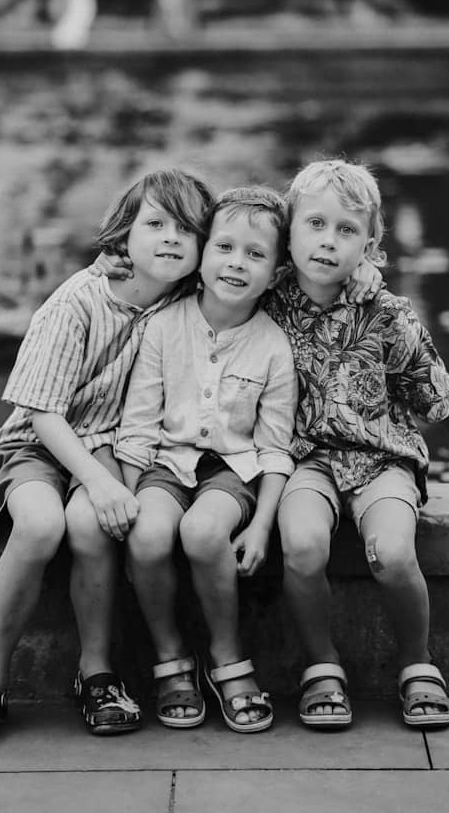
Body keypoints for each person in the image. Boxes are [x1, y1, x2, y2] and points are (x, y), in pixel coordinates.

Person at [0, 167, 213, 745]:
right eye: (155, 224)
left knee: (92, 526)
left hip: (112, 448)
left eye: (187, 230)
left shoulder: (187, 302)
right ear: (123, 237)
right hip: (42, 444)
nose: (170, 238)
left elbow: (263, 264)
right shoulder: (78, 302)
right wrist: (100, 480)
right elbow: (41, 412)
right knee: (40, 524)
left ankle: (98, 674)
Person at [264, 159, 449, 731]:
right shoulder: (269, 300)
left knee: (391, 553)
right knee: (304, 547)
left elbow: (441, 392)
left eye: (347, 230)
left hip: (382, 458)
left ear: (371, 243)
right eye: (314, 224)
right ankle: (322, 666)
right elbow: (215, 269)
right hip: (303, 459)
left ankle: (417, 663)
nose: (328, 242)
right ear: (288, 229)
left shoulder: (386, 314)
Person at [114, 187, 296, 734]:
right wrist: (127, 494)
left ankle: (227, 657)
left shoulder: (272, 346)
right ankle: (171, 658)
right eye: (225, 247)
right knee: (148, 536)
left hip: (230, 472)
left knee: (201, 531)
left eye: (255, 254)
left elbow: (274, 447)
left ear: (278, 270)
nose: (236, 263)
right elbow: (139, 424)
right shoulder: (165, 327)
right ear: (203, 251)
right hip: (164, 465)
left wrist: (262, 525)